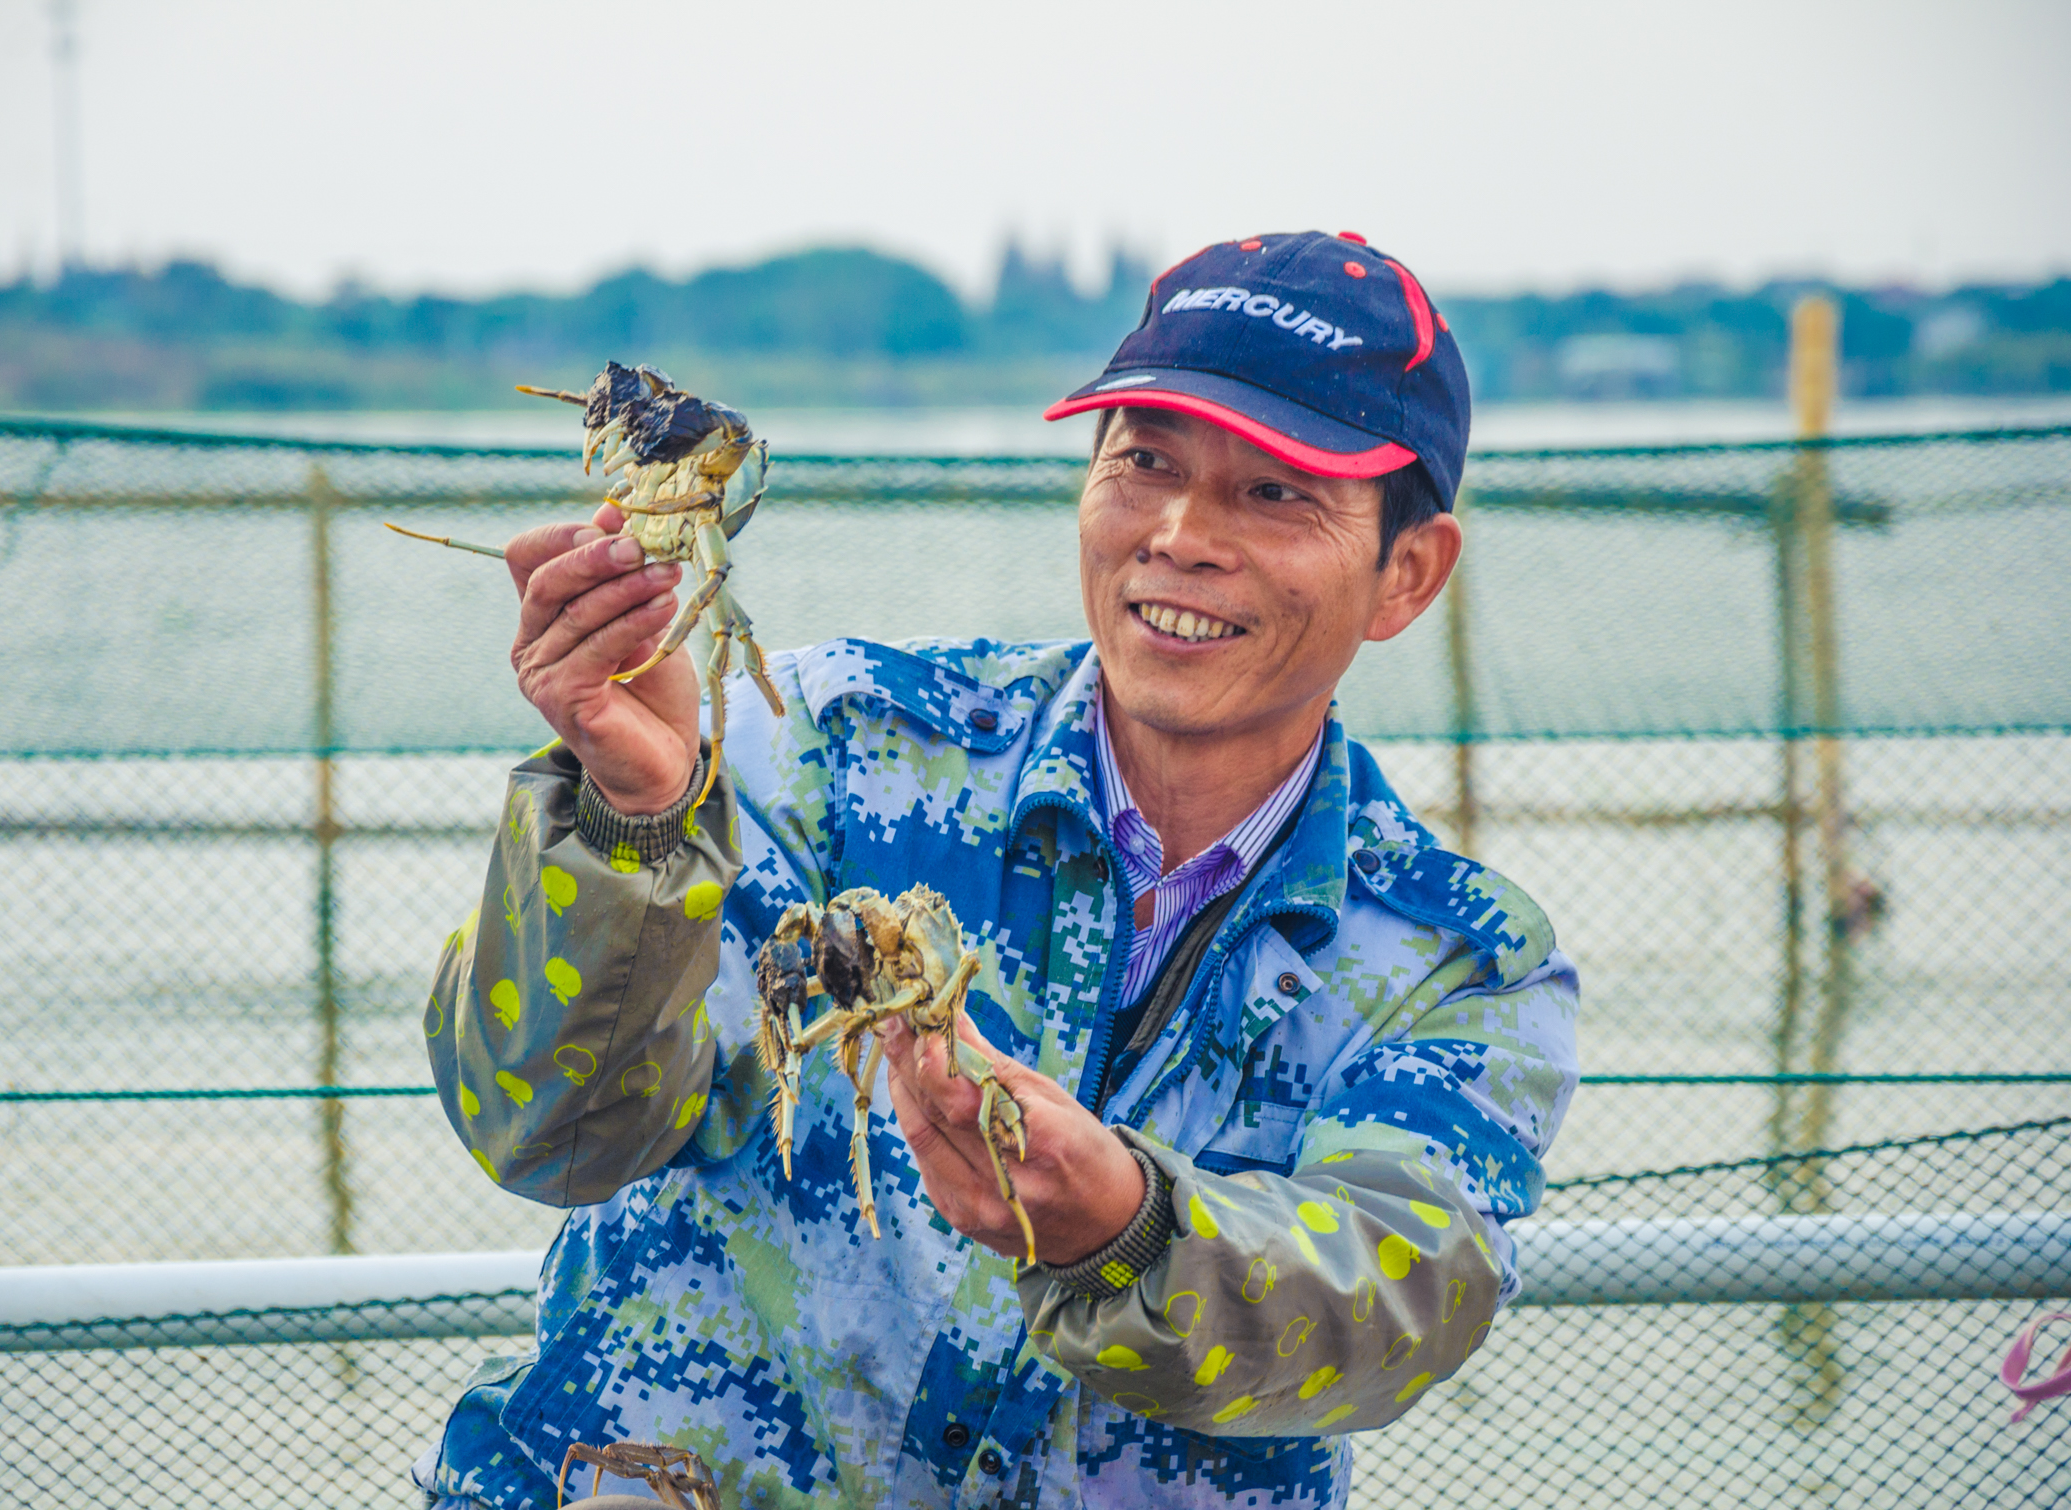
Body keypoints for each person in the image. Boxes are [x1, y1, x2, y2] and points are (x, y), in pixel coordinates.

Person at [412, 230, 1578, 1510]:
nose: (1180, 534)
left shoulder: (1461, 962)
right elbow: (551, 1132)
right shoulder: (819, 743)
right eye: (1144, 462)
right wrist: (636, 821)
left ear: (1407, 572)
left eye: (1277, 493)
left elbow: (1382, 1316)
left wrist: (1125, 1226)